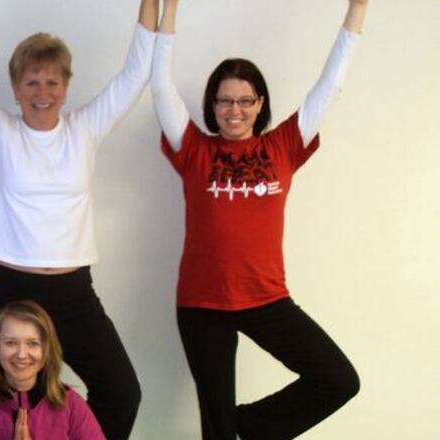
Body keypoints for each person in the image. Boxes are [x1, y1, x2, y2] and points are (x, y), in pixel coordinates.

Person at [0, 0, 158, 437]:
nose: (43, 91)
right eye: (32, 81)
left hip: (72, 291)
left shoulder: (85, 129)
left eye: (53, 81)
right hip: (7, 288)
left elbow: (136, 73)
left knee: (120, 391)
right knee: (11, 402)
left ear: (67, 85)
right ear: (16, 88)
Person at [150, 0, 368, 438]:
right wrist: (168, 8)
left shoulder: (283, 145)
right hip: (202, 305)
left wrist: (357, 9)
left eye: (245, 101)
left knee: (339, 379)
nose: (235, 110)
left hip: (266, 298)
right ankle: (228, 426)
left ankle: (247, 424)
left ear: (260, 103)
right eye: (226, 100)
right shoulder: (194, 148)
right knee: (216, 427)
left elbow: (332, 86)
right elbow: (159, 86)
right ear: (212, 105)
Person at [0, 301, 106, 440]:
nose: (21, 354)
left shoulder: (72, 406)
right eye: (10, 343)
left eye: (33, 343)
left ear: (47, 349)